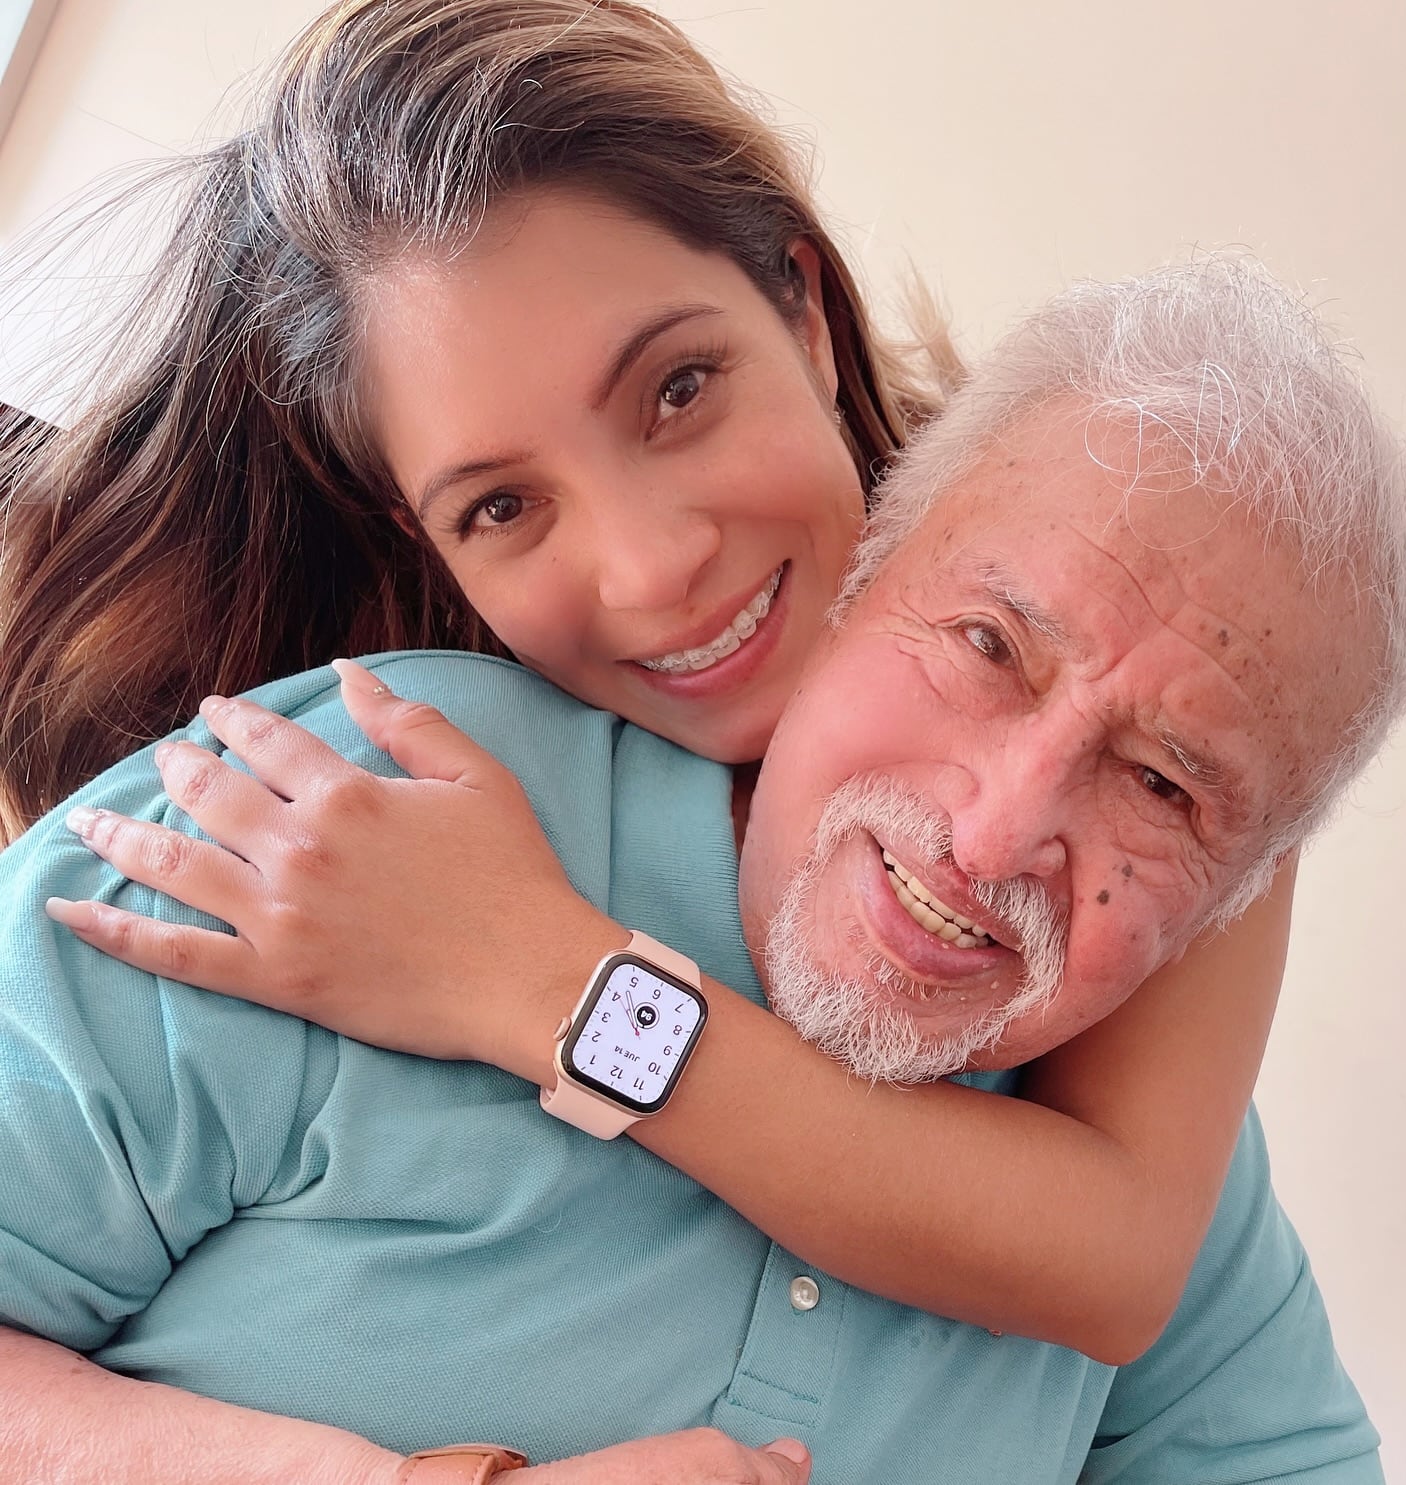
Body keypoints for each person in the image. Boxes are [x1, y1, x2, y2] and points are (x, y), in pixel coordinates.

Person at [0, 0, 1320, 1370]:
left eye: (679, 390)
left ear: (802, 308)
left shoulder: (1114, 692)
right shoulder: (374, 766)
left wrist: (543, 979)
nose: (650, 569)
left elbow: (1111, 1265)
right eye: (502, 504)